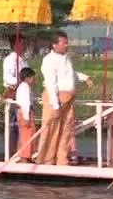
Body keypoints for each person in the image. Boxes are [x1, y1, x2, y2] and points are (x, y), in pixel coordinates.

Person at [37, 30, 93, 165]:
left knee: (66, 130)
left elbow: (70, 74)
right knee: (51, 130)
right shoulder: (49, 60)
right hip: (55, 97)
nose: (66, 45)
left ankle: (61, 159)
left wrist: (85, 78)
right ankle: (46, 160)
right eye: (64, 43)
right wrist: (55, 105)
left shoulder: (66, 58)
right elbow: (51, 83)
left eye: (67, 43)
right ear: (54, 45)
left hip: (69, 97)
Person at [2, 34, 29, 154]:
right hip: (14, 93)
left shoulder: (23, 60)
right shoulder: (10, 60)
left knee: (22, 125)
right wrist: (20, 81)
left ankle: (22, 150)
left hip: (23, 94)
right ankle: (12, 152)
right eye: (22, 43)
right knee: (13, 125)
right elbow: (8, 78)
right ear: (16, 45)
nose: (25, 46)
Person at [16, 67, 38, 163]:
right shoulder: (24, 88)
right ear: (27, 78)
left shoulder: (25, 87)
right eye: (33, 78)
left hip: (27, 112)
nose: (34, 80)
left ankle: (28, 155)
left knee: (30, 133)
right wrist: (26, 117)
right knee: (26, 134)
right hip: (26, 112)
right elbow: (25, 103)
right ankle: (24, 157)